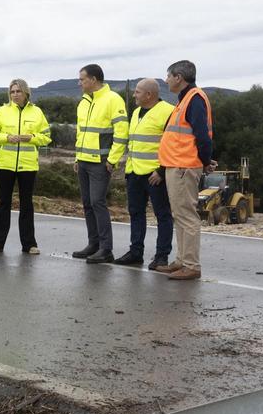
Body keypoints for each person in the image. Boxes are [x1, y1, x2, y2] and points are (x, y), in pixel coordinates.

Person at [108, 78, 175, 269]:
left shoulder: (168, 112)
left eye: (137, 92)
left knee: (163, 215)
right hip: (134, 172)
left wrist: (161, 170)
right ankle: (135, 252)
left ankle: (162, 255)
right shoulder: (136, 111)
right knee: (136, 213)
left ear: (149, 95)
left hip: (155, 175)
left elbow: (172, 144)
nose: (134, 95)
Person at [157, 60, 215, 281]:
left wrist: (205, 160)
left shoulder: (194, 99)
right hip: (178, 164)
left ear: (179, 77)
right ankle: (182, 261)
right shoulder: (185, 99)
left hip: (184, 166)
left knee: (186, 216)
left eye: (169, 75)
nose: (167, 79)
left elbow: (203, 136)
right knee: (179, 215)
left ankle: (191, 265)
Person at [0, 79, 51, 254]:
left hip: (28, 165)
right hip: (5, 164)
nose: (15, 94)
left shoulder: (37, 112)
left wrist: (32, 138)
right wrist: (6, 137)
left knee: (27, 204)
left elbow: (46, 137)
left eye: (18, 91)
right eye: (12, 91)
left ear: (26, 93)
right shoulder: (1, 111)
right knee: (3, 203)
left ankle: (29, 244)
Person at [71, 63, 128, 264]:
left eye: (82, 79)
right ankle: (93, 244)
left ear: (93, 80)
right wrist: (78, 157)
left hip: (101, 163)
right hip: (84, 161)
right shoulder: (84, 102)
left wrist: (112, 160)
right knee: (87, 204)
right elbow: (81, 133)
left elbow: (122, 133)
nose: (79, 83)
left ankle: (106, 249)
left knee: (97, 202)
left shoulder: (113, 100)